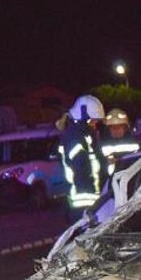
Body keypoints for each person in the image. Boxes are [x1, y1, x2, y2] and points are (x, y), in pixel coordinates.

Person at [58, 95, 107, 223]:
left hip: (89, 202)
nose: (95, 125)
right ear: (84, 117)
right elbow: (81, 166)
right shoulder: (76, 137)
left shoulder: (80, 135)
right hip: (83, 204)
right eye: (94, 121)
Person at [101, 108, 141, 176]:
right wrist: (105, 162)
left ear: (125, 128)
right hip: (108, 181)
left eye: (119, 127)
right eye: (113, 127)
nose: (116, 130)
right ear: (108, 129)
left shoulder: (135, 143)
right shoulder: (102, 144)